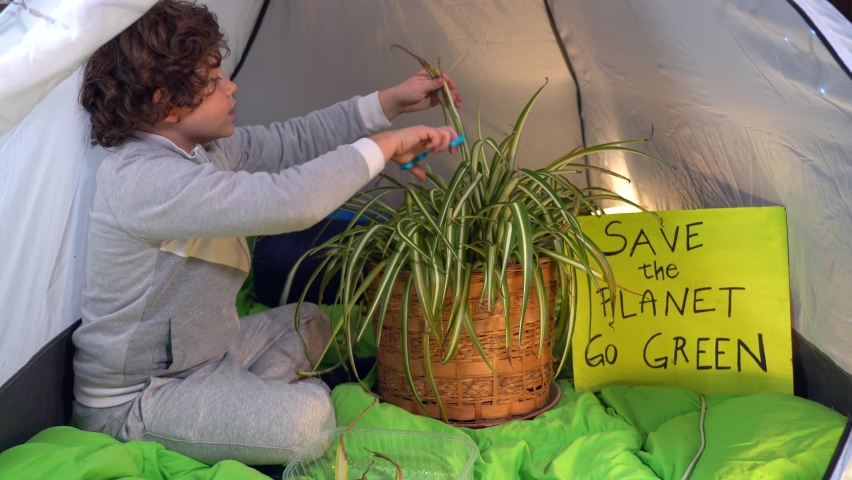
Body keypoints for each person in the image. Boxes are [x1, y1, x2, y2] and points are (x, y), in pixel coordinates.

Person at [71, 0, 462, 466]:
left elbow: (290, 142)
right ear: (165, 102)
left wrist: (388, 105)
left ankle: (238, 406)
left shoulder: (204, 148)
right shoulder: (141, 180)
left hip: (212, 359)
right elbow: (290, 201)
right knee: (310, 422)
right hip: (139, 401)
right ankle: (250, 410)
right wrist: (383, 146)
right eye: (214, 82)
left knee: (313, 320)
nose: (231, 87)